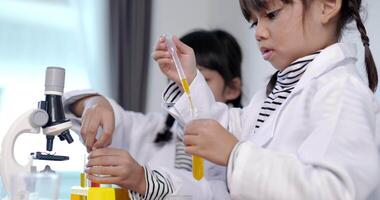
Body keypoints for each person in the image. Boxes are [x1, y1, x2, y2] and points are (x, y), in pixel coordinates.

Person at [153, 0, 380, 199]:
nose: (258, 32)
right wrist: (189, 78)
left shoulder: (341, 89)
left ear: (327, 5)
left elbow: (338, 192)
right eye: (254, 22)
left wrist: (235, 155)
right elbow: (232, 129)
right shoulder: (276, 92)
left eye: (272, 15)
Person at [63, 29, 243, 199]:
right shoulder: (151, 129)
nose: (184, 88)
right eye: (175, 80)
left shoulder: (242, 142)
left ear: (233, 89)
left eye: (201, 80)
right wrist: (93, 102)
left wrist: (145, 181)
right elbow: (117, 121)